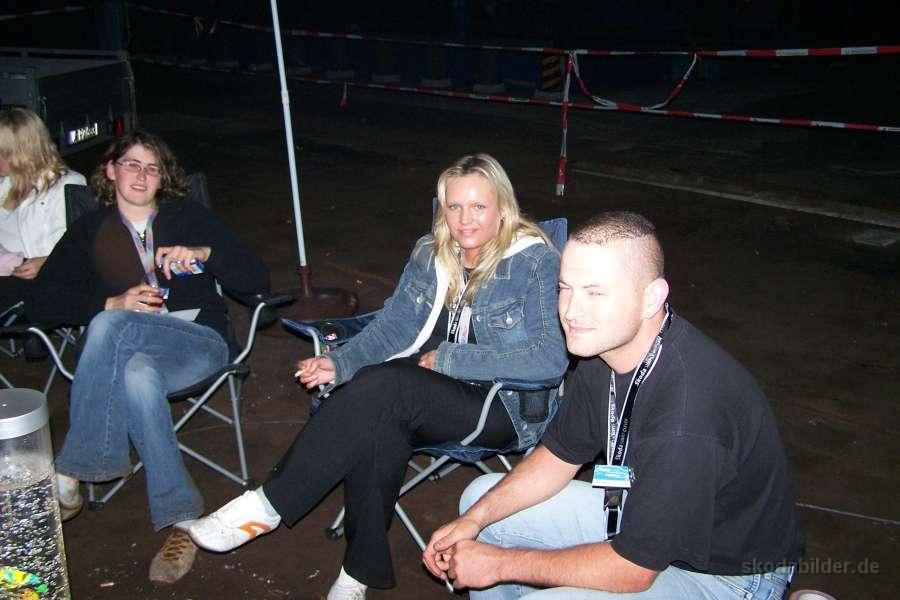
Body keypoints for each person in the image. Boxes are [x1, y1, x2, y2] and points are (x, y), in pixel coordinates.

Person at [188, 153, 568, 599]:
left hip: (502, 407)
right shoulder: (432, 252)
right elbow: (395, 326)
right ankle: (359, 572)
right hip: (426, 392)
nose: (465, 220)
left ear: (502, 208)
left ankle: (268, 504)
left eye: (478, 207)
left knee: (386, 388)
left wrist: (452, 360)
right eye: (454, 206)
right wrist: (341, 363)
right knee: (380, 416)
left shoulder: (533, 261)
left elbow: (549, 360)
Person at [424, 211, 805, 599]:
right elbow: (559, 455)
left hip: (727, 574)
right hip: (641, 513)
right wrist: (476, 519)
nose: (572, 311)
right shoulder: (604, 348)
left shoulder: (686, 414)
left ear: (651, 298)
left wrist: (499, 564)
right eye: (565, 288)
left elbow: (633, 570)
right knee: (480, 506)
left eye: (595, 293)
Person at [29, 130, 270, 585]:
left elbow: (257, 278)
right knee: (136, 373)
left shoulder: (188, 217)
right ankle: (183, 519)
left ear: (163, 178)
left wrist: (204, 253)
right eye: (131, 165)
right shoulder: (89, 231)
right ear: (110, 170)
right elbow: (41, 301)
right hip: (131, 356)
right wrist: (112, 302)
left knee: (108, 326)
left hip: (197, 342)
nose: (141, 176)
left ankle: (75, 468)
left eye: (152, 168)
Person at [0, 108, 85, 307]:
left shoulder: (67, 185)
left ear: (19, 152)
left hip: (34, 281)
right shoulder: (6, 183)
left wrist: (47, 261)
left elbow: (80, 248)